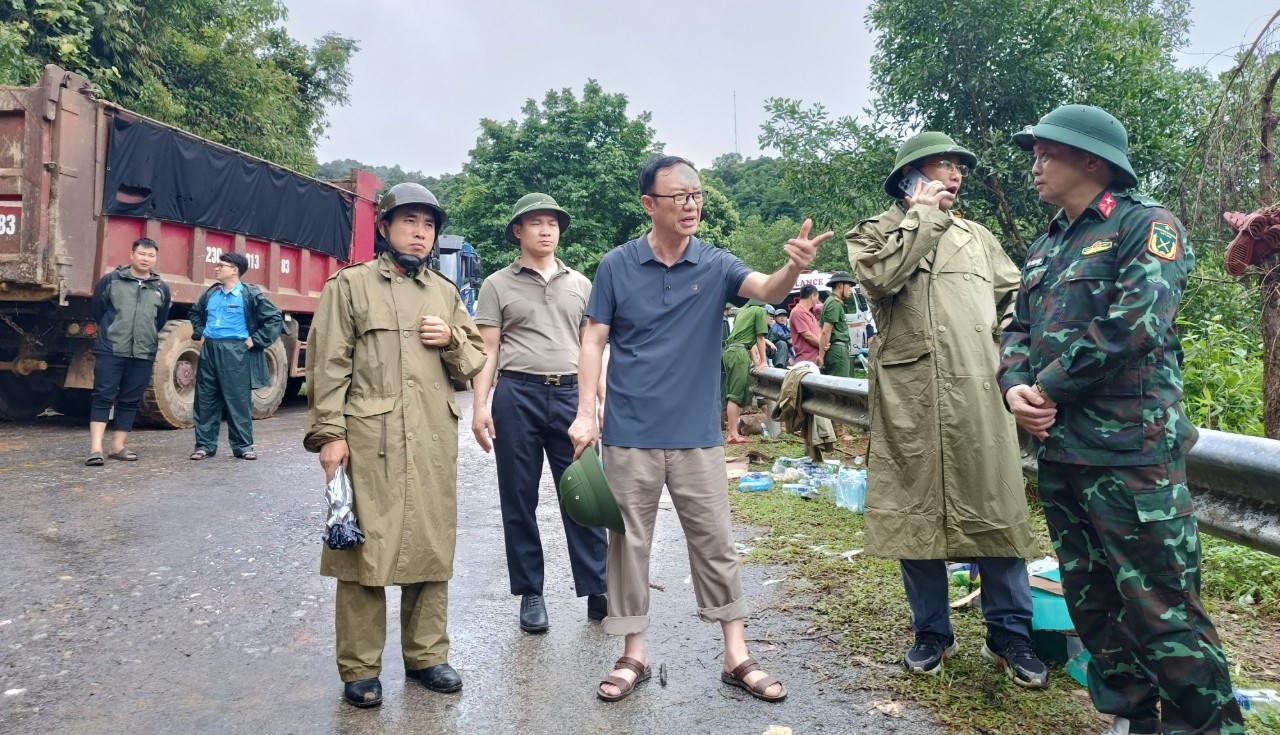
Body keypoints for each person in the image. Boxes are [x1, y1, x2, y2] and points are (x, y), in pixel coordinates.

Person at [998, 105, 1244, 735]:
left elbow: (1135, 325)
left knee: (1163, 608)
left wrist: (1045, 387)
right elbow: (1016, 327)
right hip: (1063, 452)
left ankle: (1202, 728)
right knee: (1095, 606)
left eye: (1047, 152)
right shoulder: (1048, 243)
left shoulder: (1147, 226)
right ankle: (1132, 719)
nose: (1035, 165)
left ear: (1091, 159)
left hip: (1133, 457)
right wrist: (1014, 386)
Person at [568, 155, 831, 703]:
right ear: (649, 204)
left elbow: (767, 289)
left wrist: (793, 268)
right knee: (627, 544)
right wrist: (585, 412)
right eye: (679, 196)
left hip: (697, 434)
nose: (691, 205)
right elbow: (593, 340)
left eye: (697, 194)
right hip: (630, 431)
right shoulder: (616, 265)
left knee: (714, 542)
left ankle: (737, 654)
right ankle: (633, 653)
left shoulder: (714, 263)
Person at [846, 131, 1046, 687]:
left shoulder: (977, 237)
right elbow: (881, 278)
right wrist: (924, 218)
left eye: (960, 166)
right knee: (916, 515)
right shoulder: (873, 233)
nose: (956, 174)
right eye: (943, 164)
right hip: (910, 395)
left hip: (980, 391)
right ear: (909, 176)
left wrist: (1008, 348)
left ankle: (1010, 633)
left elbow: (1017, 298)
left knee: (997, 508)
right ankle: (931, 631)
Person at [303, 182, 486, 709]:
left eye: (428, 224)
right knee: (363, 553)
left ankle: (427, 656)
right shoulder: (351, 286)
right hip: (369, 439)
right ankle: (361, 668)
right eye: (409, 221)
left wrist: (450, 338)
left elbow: (474, 361)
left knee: (431, 545)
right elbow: (328, 365)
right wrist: (330, 434)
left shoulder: (445, 293)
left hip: (430, 439)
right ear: (384, 228)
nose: (420, 232)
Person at [471, 192, 608, 634]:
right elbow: (487, 350)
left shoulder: (581, 284)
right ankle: (531, 592)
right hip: (517, 396)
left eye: (552, 223)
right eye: (536, 223)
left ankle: (598, 586)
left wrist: (600, 402)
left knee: (586, 492)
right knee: (519, 497)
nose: (546, 231)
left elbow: (592, 348)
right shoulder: (497, 284)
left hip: (570, 395)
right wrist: (480, 406)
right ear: (518, 231)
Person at [188, 252, 282, 461]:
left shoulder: (249, 294)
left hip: (236, 351)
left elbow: (274, 318)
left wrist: (256, 340)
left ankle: (243, 446)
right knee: (205, 399)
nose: (217, 268)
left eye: (221, 265)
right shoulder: (211, 293)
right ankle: (204, 446)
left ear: (234, 270)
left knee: (237, 400)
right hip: (210, 349)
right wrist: (200, 332)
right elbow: (194, 313)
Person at [85, 237, 171, 466]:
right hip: (112, 348)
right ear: (132, 255)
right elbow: (98, 310)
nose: (146, 259)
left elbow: (160, 320)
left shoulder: (161, 288)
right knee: (103, 395)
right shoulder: (111, 280)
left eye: (151, 255)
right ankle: (96, 448)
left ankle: (117, 446)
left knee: (130, 399)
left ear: (156, 259)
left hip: (143, 351)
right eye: (142, 254)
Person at [722, 299, 769, 444]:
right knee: (735, 395)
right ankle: (732, 434)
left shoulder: (741, 310)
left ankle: (734, 432)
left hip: (730, 351)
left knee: (735, 393)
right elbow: (760, 337)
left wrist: (756, 361)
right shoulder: (759, 310)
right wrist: (764, 361)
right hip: (739, 353)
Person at [818, 272, 854, 377]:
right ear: (840, 285)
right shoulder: (834, 303)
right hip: (838, 352)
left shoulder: (831, 301)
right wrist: (821, 356)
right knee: (840, 385)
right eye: (849, 285)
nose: (850, 289)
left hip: (835, 350)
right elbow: (825, 331)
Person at [788, 285, 822, 365]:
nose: (818, 300)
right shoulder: (797, 312)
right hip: (806, 361)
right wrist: (822, 345)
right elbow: (807, 336)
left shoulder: (809, 313)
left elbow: (817, 332)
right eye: (817, 297)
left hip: (815, 360)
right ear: (813, 296)